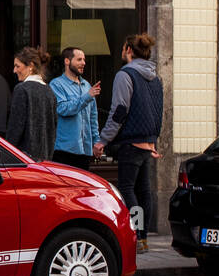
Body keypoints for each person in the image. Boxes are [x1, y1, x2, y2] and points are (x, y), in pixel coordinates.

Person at [99, 33, 163, 252]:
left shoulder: (125, 75)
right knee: (144, 191)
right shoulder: (155, 78)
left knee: (127, 188)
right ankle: (143, 238)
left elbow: (119, 111)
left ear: (128, 50)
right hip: (147, 144)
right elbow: (158, 111)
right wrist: (154, 140)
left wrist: (102, 140)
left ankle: (135, 235)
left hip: (131, 143)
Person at [49, 46, 102, 170]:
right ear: (67, 61)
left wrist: (97, 142)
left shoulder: (86, 85)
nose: (83, 63)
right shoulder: (57, 84)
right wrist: (87, 96)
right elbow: (62, 109)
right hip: (65, 151)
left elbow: (93, 117)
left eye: (84, 59)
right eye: (79, 59)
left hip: (85, 150)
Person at [5, 46, 57, 161]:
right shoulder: (49, 91)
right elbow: (52, 130)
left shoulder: (22, 89)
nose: (14, 70)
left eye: (17, 66)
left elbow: (15, 128)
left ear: (31, 66)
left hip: (22, 160)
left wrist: (5, 154)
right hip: (45, 160)